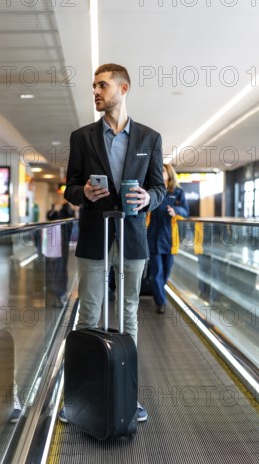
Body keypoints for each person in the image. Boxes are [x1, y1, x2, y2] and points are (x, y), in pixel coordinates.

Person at [60, 62, 166, 423]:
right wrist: (84, 192)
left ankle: (127, 397)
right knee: (88, 317)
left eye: (102, 85)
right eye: (94, 86)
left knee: (128, 318)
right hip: (94, 236)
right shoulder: (82, 137)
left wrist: (148, 199)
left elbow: (160, 188)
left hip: (132, 238)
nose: (96, 92)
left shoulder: (149, 138)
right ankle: (80, 400)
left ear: (124, 88)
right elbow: (70, 187)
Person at [147, 163, 189, 313]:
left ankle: (159, 292)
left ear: (169, 173)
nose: (161, 172)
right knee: (157, 271)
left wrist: (175, 210)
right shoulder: (152, 191)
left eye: (163, 170)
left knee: (165, 273)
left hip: (170, 238)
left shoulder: (177, 192)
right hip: (153, 236)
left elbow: (185, 211)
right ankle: (161, 302)